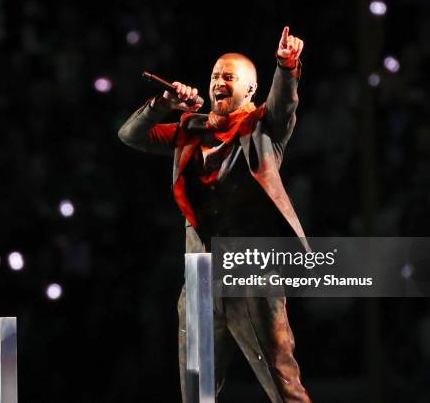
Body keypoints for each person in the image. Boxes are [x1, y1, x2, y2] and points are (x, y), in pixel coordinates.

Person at [118, 27, 311, 403]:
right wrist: (164, 103)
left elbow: (284, 104)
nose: (218, 82)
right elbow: (130, 135)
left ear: (250, 90)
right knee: (196, 391)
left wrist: (286, 67)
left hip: (251, 274)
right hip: (200, 278)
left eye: (229, 77)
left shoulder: (263, 129)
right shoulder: (191, 129)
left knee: (283, 382)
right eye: (214, 76)